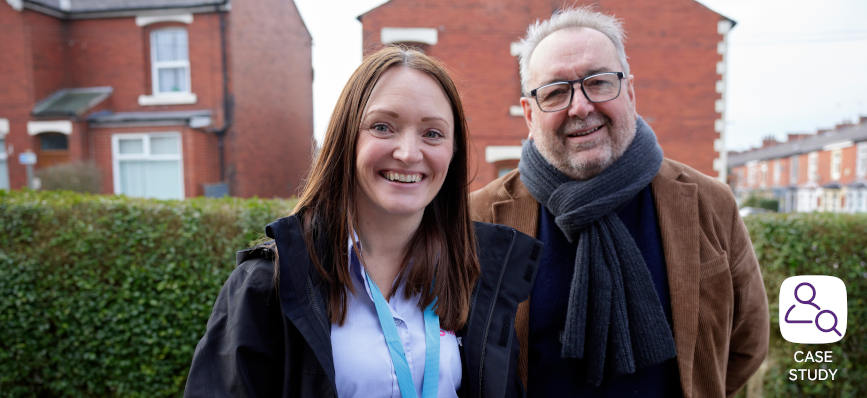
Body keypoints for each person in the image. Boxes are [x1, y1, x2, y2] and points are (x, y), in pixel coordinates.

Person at [184, 46, 542, 398]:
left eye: (432, 133)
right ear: (346, 139)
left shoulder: (476, 278)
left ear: (453, 151)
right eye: (383, 127)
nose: (408, 153)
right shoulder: (268, 285)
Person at [470, 6, 769, 398]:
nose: (580, 107)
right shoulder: (477, 217)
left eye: (598, 82)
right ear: (530, 113)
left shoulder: (711, 203)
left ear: (629, 90)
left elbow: (747, 343)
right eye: (556, 92)